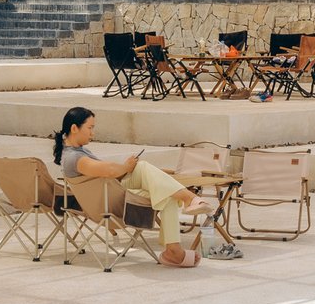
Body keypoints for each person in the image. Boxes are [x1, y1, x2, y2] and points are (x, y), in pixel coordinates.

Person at [53, 107, 213, 268]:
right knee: (146, 170)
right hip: (111, 205)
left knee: (167, 193)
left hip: (111, 194)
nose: (93, 133)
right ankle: (190, 199)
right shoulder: (74, 158)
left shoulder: (77, 152)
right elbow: (109, 171)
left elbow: (107, 174)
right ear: (74, 128)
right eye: (90, 128)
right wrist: (126, 166)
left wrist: (125, 168)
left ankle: (174, 250)